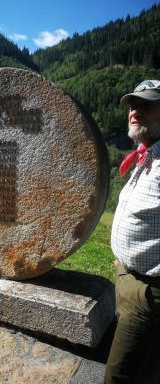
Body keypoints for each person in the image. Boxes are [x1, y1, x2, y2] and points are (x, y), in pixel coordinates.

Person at [105, 80, 160, 384]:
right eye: (132, 105)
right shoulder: (146, 155)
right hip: (129, 279)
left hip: (147, 293)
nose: (135, 112)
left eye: (147, 105)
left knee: (120, 377)